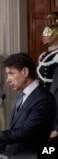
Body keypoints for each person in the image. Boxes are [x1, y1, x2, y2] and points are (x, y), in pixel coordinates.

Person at [0, 53, 56, 158]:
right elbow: (15, 132)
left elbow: (26, 132)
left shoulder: (43, 98)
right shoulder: (23, 95)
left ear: (25, 72)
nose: (8, 79)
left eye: (11, 73)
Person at [37, 12, 58, 146]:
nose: (44, 36)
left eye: (48, 33)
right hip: (42, 99)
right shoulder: (44, 55)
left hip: (54, 99)